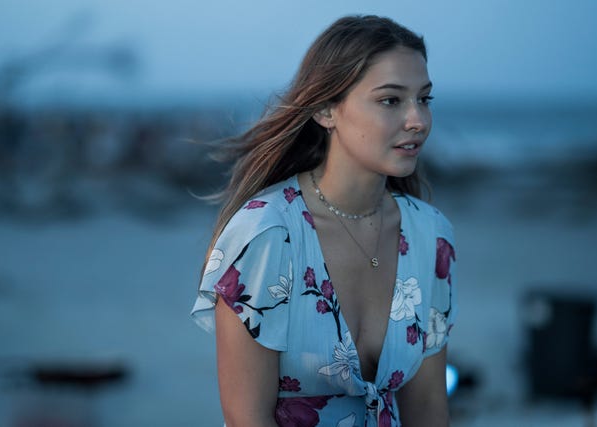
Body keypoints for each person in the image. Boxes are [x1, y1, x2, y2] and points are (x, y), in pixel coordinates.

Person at [191, 15, 457, 427]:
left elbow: (428, 411)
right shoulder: (267, 234)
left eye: (424, 98)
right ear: (326, 109)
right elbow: (247, 420)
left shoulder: (430, 235)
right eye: (391, 100)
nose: (418, 120)